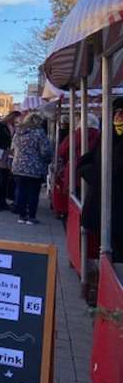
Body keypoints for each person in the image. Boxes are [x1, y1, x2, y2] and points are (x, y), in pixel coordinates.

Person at [79, 97, 123, 263]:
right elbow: (87, 160)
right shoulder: (107, 135)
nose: (118, 118)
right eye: (117, 113)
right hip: (103, 207)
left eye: (122, 114)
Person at [11, 112, 53, 225]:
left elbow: (13, 147)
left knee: (21, 191)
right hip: (35, 167)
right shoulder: (39, 133)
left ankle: (21, 216)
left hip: (18, 166)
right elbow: (45, 151)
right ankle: (31, 217)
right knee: (33, 193)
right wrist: (49, 159)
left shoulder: (18, 132)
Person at [55, 114, 100, 217]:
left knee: (75, 198)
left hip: (75, 168)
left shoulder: (77, 134)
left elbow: (62, 150)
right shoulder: (100, 135)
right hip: (93, 171)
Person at [0, 111, 20, 211]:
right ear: (12, 117)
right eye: (16, 119)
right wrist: (7, 147)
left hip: (3, 155)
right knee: (1, 179)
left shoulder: (8, 126)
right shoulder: (0, 125)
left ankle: (2, 202)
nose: (17, 121)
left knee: (4, 179)